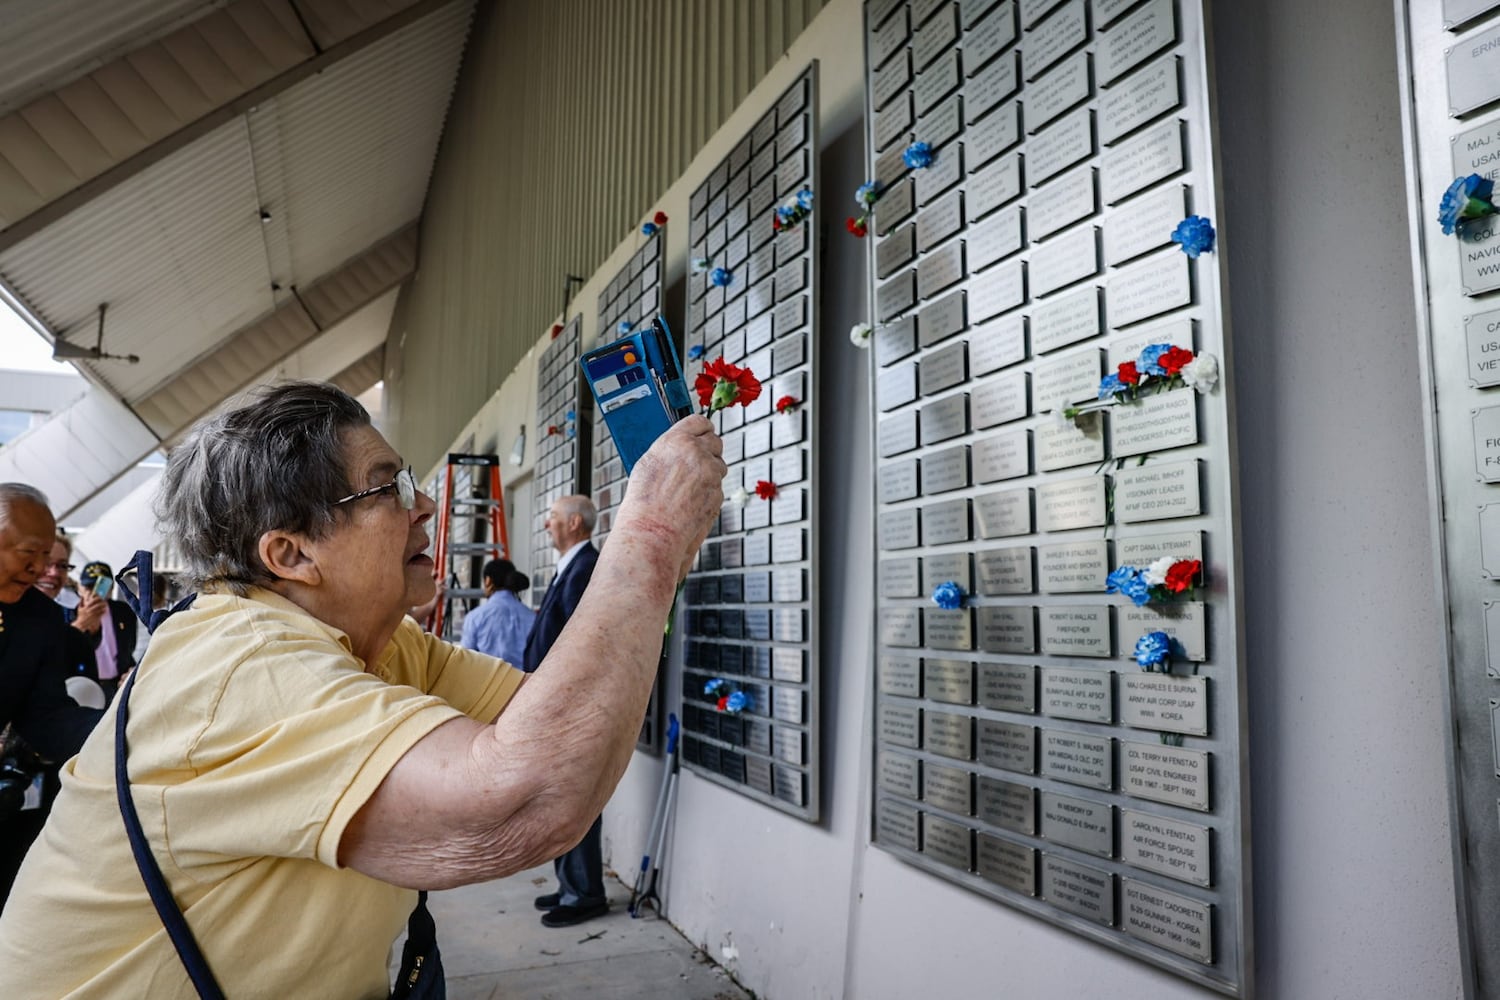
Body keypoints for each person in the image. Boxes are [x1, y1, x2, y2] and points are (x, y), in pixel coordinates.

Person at [0, 381, 725, 997]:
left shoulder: (380, 641)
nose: (427, 509)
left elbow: (570, 726)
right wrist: (653, 533)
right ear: (291, 553)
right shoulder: (245, 666)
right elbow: (528, 795)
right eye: (392, 488)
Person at [0, 485, 104, 902]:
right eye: (30, 552)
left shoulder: (37, 617)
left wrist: (123, 728)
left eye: (48, 555)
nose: (40, 568)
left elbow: (47, 716)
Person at [522, 495, 608, 927]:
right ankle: (570, 884)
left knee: (576, 799)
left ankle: (585, 893)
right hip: (555, 705)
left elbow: (581, 642)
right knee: (560, 800)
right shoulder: (570, 566)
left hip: (570, 709)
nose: (546, 525)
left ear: (574, 523)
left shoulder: (586, 567)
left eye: (552, 517)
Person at [72, 561, 137, 698]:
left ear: (111, 588)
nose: (95, 593)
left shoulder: (123, 611)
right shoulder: (69, 613)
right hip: (81, 684)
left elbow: (130, 646)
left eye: (101, 586)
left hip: (116, 684)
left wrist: (129, 670)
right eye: (89, 587)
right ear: (80, 588)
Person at [460, 558, 535, 666]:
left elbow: (465, 661)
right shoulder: (532, 617)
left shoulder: (475, 617)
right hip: (529, 680)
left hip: (488, 681)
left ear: (488, 580)